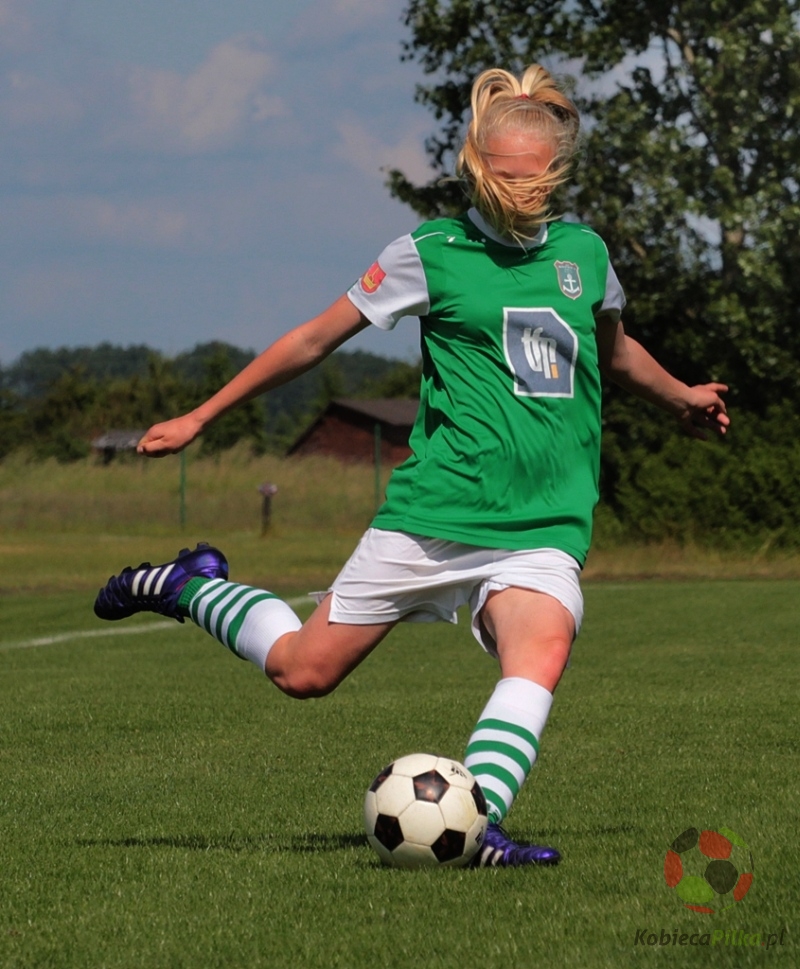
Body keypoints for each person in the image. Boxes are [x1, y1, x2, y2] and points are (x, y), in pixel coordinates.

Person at [94, 65, 729, 868]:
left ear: (555, 175)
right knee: (302, 672)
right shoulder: (430, 252)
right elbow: (313, 339)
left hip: (544, 520)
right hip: (435, 515)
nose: (519, 193)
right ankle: (189, 584)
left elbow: (613, 348)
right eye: (503, 177)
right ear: (476, 165)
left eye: (533, 181)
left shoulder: (584, 254)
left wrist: (681, 397)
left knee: (539, 652)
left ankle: (479, 825)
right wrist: (201, 414)